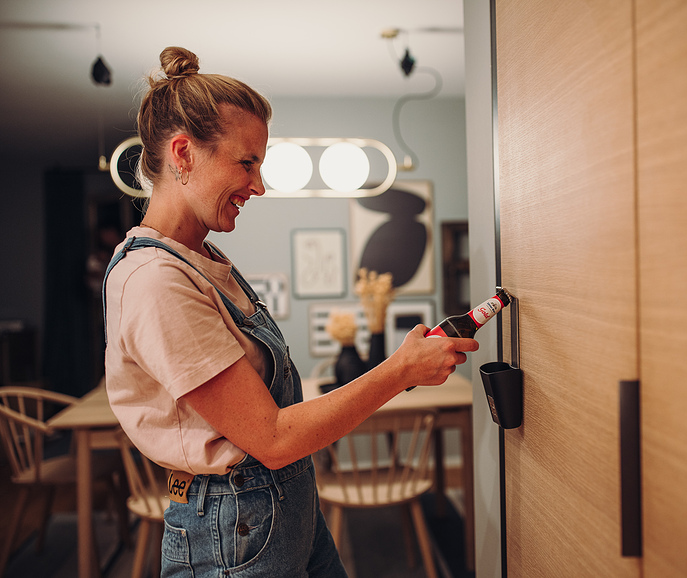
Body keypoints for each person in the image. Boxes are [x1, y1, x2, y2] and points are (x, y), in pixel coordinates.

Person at [102, 46, 478, 578]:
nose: (258, 185)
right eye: (246, 162)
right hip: (235, 529)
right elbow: (273, 438)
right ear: (183, 153)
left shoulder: (201, 259)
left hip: (279, 509)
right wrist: (400, 371)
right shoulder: (154, 282)